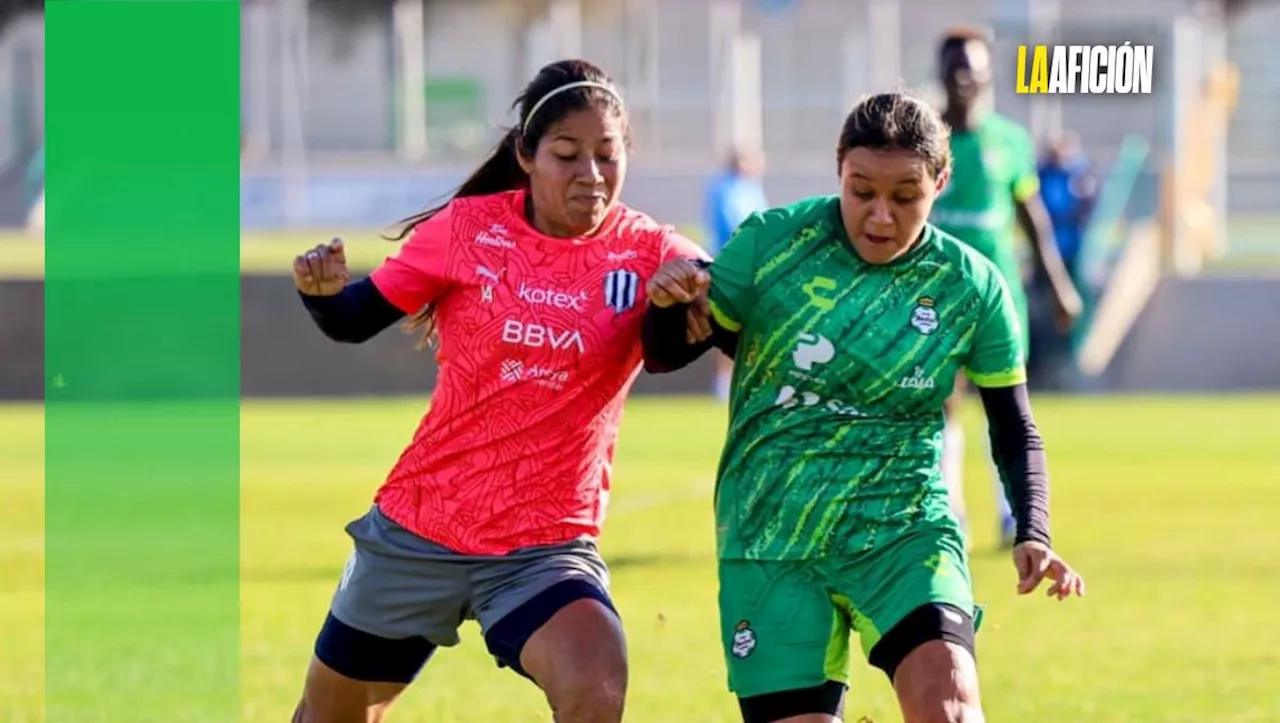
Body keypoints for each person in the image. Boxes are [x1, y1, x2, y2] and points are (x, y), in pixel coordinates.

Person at [640, 91, 1085, 723]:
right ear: (839, 169)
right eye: (861, 191)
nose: (880, 216)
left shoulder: (972, 285)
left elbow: (1013, 425)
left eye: (905, 196)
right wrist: (665, 306)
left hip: (903, 527)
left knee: (951, 704)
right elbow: (667, 352)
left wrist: (1033, 528)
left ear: (942, 180)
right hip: (773, 533)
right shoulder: (772, 244)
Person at [289, 58, 705, 723]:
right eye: (567, 154)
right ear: (526, 155)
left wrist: (688, 296)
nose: (591, 174)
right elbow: (353, 318)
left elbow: (696, 316)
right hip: (421, 528)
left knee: (596, 683)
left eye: (607, 154)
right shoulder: (465, 229)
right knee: (328, 715)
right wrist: (321, 295)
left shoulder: (649, 248)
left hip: (545, 547)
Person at [929, 26, 1084, 549]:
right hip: (932, 297)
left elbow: (1031, 216)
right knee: (942, 405)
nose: (961, 78)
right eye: (953, 67)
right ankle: (950, 513)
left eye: (970, 67)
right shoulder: (925, 139)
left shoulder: (1010, 142)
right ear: (940, 72)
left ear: (988, 74)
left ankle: (1012, 516)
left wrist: (1059, 285)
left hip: (996, 298)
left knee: (1005, 405)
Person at [704, 147, 771, 400]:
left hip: (753, 267)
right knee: (730, 323)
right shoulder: (727, 189)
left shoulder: (750, 188)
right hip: (734, 267)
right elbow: (737, 227)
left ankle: (743, 378)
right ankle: (724, 382)